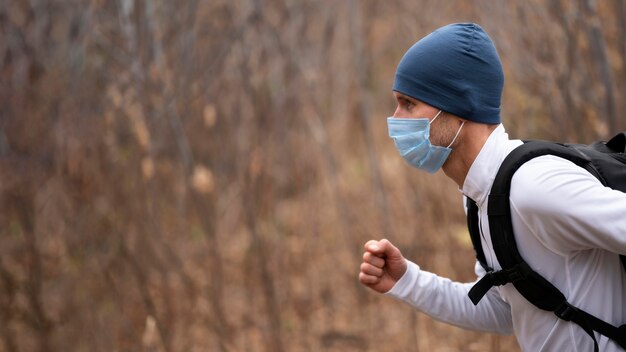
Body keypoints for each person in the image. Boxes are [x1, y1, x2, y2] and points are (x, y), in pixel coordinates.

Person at [358, 23, 626, 351]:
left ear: (460, 107)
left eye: (408, 103)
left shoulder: (535, 187)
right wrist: (408, 282)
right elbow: (506, 309)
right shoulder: (481, 195)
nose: (396, 118)